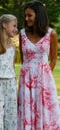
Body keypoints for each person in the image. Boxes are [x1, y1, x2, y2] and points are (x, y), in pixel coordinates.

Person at [17, 0, 60, 130]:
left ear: (39, 15)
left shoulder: (51, 34)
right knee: (27, 109)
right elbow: (23, 58)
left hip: (44, 79)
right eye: (25, 15)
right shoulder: (22, 34)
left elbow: (53, 59)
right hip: (26, 79)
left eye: (29, 15)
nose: (26, 19)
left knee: (44, 109)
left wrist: (45, 74)